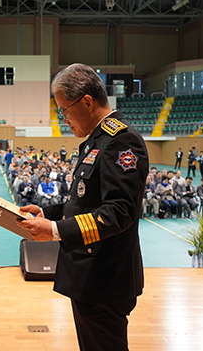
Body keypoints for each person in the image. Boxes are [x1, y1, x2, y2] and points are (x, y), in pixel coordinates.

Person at [17, 63, 148, 351]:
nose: (64, 119)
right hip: (93, 276)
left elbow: (119, 212)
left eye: (64, 110)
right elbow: (85, 201)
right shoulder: (97, 141)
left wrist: (55, 230)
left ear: (87, 102)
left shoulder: (121, 140)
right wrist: (47, 213)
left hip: (105, 278)